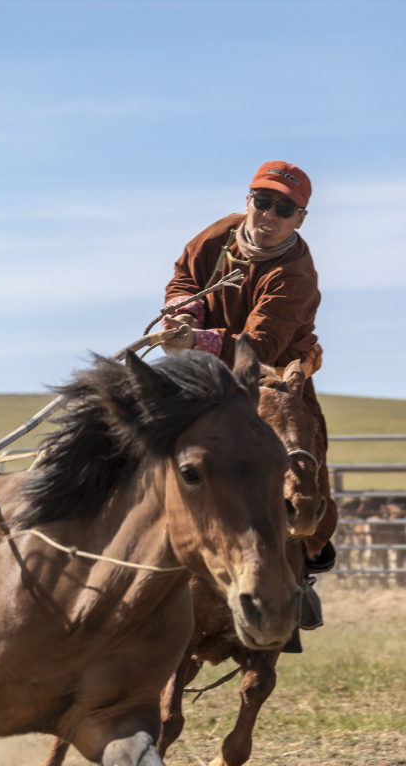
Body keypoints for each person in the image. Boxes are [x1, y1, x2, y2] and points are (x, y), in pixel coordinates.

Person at [160, 160, 337, 639]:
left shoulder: (296, 273)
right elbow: (183, 279)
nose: (270, 214)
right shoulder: (219, 236)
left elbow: (259, 348)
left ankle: (305, 564)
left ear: (299, 219)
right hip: (205, 367)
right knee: (136, 417)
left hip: (275, 374)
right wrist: (184, 311)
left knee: (302, 466)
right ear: (248, 201)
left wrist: (195, 340)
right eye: (263, 201)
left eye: (285, 208)